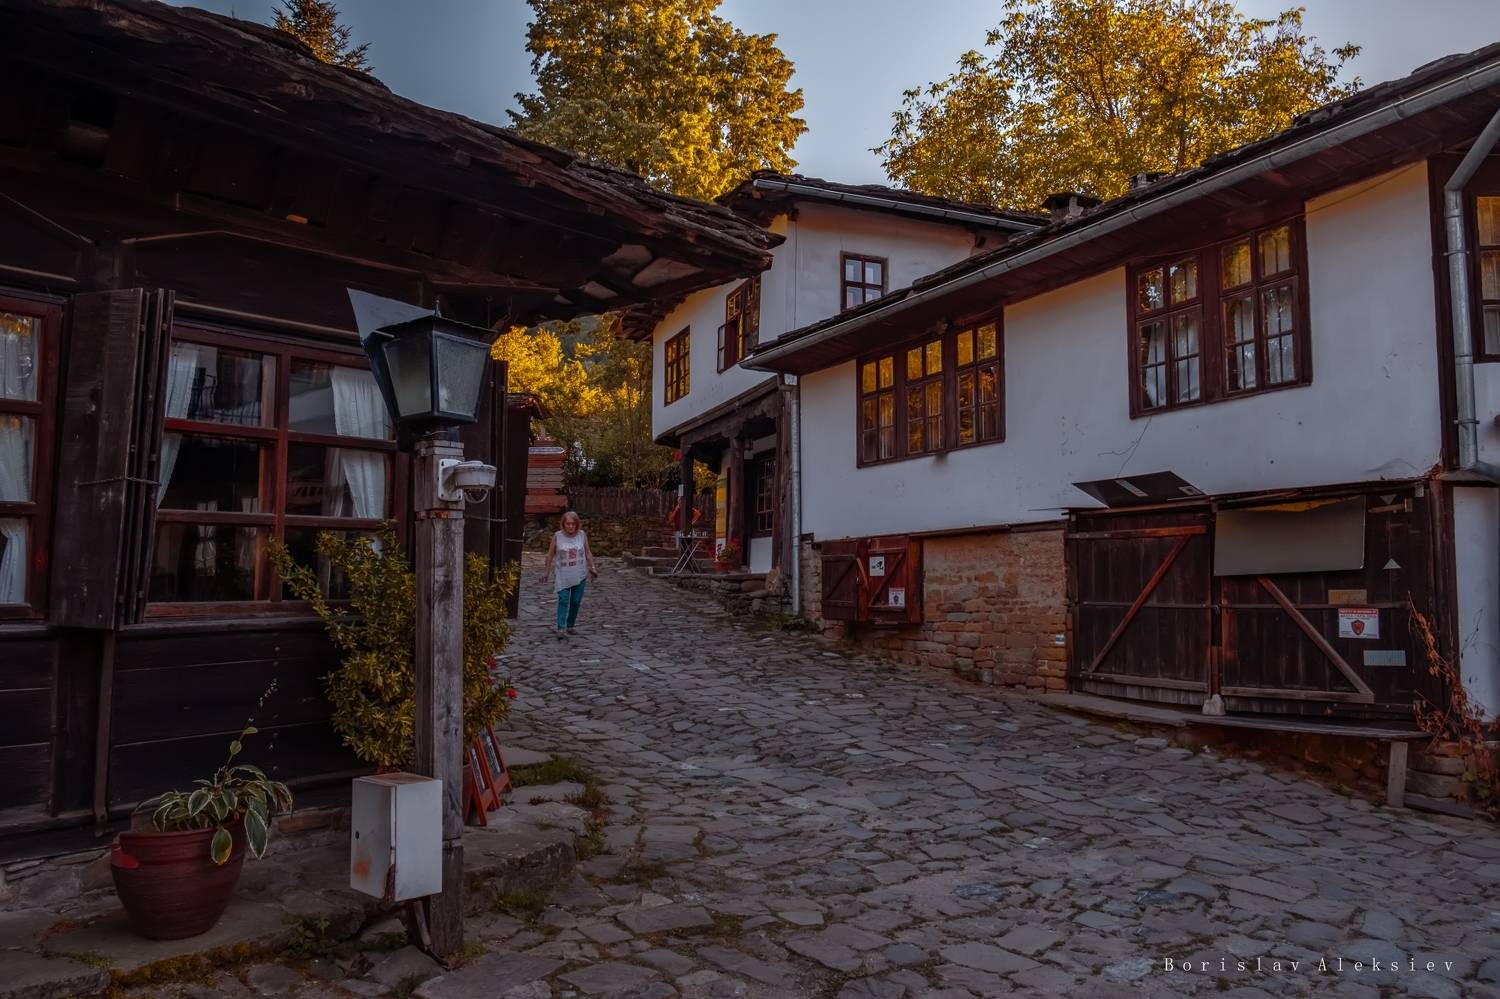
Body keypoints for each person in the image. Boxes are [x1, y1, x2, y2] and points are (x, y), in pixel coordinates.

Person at [544, 510, 597, 639]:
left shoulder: (582, 535)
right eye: (568, 523)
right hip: (563, 575)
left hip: (579, 574)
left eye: (573, 524)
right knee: (563, 600)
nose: (570, 526)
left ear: (577, 524)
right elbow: (550, 555)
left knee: (575, 601)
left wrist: (592, 567)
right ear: (563, 524)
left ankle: (570, 625)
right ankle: (561, 629)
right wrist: (546, 572)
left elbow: (587, 552)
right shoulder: (557, 536)